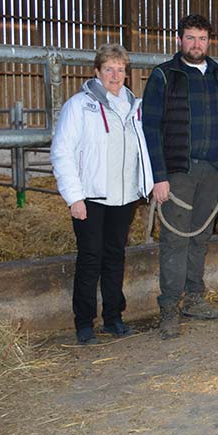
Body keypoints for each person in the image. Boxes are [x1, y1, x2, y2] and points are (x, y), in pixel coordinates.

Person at [142, 14, 218, 339]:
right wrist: (158, 177)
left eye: (201, 39)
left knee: (200, 237)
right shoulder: (164, 76)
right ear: (179, 40)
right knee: (175, 239)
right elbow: (150, 128)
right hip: (179, 172)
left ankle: (195, 299)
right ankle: (169, 309)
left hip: (213, 170)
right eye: (190, 38)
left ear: (209, 41)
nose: (196, 45)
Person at [51, 43, 153, 345]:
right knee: (90, 259)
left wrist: (142, 186)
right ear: (97, 71)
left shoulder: (134, 107)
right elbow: (62, 153)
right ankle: (84, 322)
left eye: (121, 69)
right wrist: (74, 197)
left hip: (123, 198)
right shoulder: (79, 106)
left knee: (114, 257)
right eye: (109, 68)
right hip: (91, 197)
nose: (115, 74)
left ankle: (113, 317)